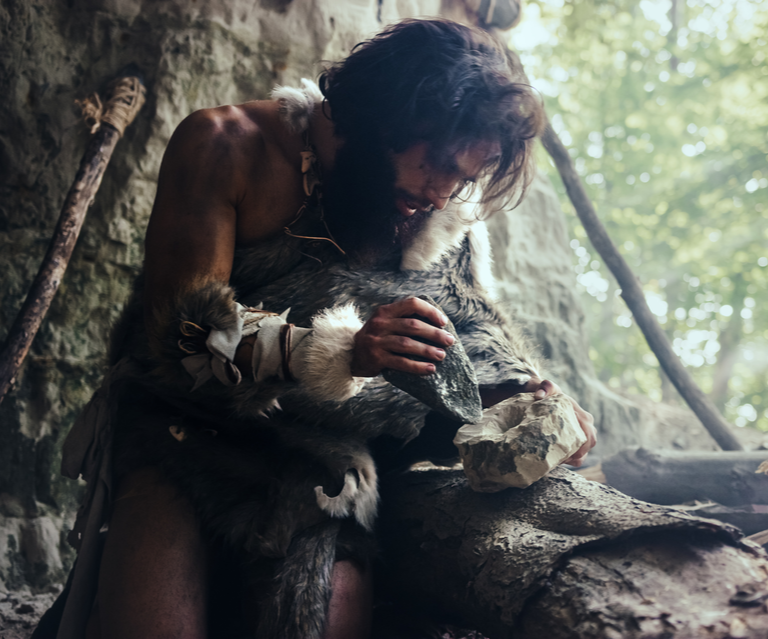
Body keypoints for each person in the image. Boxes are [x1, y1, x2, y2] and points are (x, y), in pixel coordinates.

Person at [43, 18, 596, 639]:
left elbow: (473, 336)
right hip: (180, 429)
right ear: (382, 117)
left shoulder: (440, 218)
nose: (442, 194)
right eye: (435, 164)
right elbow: (185, 341)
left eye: (462, 178)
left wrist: (523, 399)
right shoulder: (226, 144)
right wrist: (340, 351)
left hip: (325, 459)